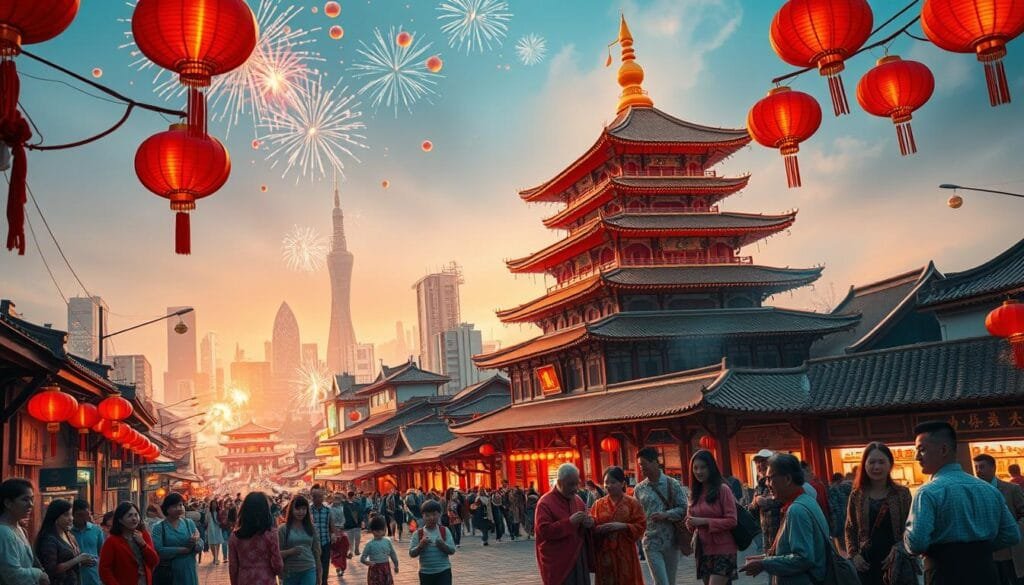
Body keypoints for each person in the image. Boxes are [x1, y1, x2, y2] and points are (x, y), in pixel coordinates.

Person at [905, 420, 1020, 585]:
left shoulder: (928, 492)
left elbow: (916, 542)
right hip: (986, 571)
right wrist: (980, 550)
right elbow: (1011, 534)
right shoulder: (989, 490)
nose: (917, 457)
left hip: (944, 573)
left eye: (921, 450)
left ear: (943, 449)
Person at [740, 453, 829, 584]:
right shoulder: (805, 501)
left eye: (770, 478)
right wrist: (764, 559)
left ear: (787, 479)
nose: (767, 484)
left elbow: (803, 558)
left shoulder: (797, 510)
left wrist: (764, 564)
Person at [844, 442, 913, 585]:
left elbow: (911, 528)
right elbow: (850, 528)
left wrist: (900, 548)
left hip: (895, 562)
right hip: (866, 563)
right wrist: (854, 555)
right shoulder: (857, 495)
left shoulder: (902, 493)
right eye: (872, 462)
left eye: (881, 462)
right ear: (865, 465)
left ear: (890, 464)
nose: (876, 467)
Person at [634, 446, 687, 585]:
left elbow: (683, 508)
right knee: (661, 582)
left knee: (670, 581)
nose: (641, 468)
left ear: (655, 462)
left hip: (671, 540)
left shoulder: (672, 484)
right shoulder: (639, 489)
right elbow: (635, 514)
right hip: (650, 542)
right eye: (640, 465)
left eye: (643, 465)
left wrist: (666, 515)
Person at [686, 449, 739, 585]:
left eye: (703, 467)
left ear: (711, 467)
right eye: (695, 468)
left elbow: (732, 520)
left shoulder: (723, 489)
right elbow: (690, 521)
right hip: (703, 549)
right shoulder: (694, 493)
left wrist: (704, 521)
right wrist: (690, 523)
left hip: (723, 549)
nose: (699, 471)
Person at [535, 463, 593, 585]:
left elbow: (587, 525)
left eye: (577, 483)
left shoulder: (577, 500)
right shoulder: (545, 502)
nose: (575, 488)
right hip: (558, 561)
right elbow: (544, 531)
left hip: (578, 556)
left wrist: (589, 523)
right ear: (560, 482)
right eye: (571, 484)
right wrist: (569, 523)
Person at [974, 453, 1024, 585]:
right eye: (977, 468)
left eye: (982, 467)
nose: (978, 471)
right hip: (988, 551)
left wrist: (1014, 530)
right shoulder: (974, 492)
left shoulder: (1012, 489)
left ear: (993, 468)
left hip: (1010, 550)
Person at [590, 466, 646, 585]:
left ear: (622, 483)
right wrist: (596, 528)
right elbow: (592, 526)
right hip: (605, 554)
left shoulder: (632, 503)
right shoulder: (598, 504)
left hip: (626, 552)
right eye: (606, 483)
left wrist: (623, 526)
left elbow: (641, 525)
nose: (609, 486)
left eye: (613, 482)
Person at [98, 501, 160, 585]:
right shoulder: (112, 541)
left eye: (136, 515)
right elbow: (104, 570)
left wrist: (143, 544)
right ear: (120, 520)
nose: (134, 518)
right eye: (129, 515)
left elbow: (154, 561)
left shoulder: (144, 535)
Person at [229, 492, 283, 585]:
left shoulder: (235, 537)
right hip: (266, 579)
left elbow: (233, 567)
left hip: (245, 580)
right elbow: (277, 565)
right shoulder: (271, 535)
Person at [35, 498, 92, 585]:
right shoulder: (49, 540)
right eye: (66, 515)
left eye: (71, 515)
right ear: (56, 517)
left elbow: (71, 560)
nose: (71, 518)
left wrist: (82, 561)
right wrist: (77, 559)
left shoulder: (69, 535)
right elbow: (52, 569)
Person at [1, 479, 47, 585]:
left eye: (32, 499)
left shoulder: (19, 528)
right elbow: (13, 575)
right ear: (8, 503)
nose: (31, 504)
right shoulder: (4, 533)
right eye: (25, 500)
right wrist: (39, 574)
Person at [152, 492, 201, 585]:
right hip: (169, 572)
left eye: (181, 505)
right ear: (167, 508)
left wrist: (195, 542)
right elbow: (158, 550)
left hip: (189, 570)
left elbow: (201, 543)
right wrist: (182, 550)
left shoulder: (188, 523)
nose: (179, 508)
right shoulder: (159, 527)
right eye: (175, 506)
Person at [408, 499, 455, 585]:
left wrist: (443, 545)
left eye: (434, 514)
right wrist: (420, 546)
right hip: (425, 573)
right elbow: (411, 553)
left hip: (444, 571)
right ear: (423, 516)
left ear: (439, 514)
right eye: (427, 515)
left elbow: (452, 550)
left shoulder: (444, 530)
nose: (431, 518)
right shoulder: (418, 534)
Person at [279, 494, 321, 585]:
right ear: (291, 510)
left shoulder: (311, 528)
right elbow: (276, 553)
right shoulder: (283, 529)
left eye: (304, 509)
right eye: (298, 509)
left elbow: (316, 551)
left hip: (309, 568)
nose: (301, 512)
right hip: (289, 572)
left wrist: (319, 573)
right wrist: (290, 551)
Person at [748, 448, 782, 553]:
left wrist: (767, 502)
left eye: (764, 461)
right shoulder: (759, 485)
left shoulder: (778, 479)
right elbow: (753, 509)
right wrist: (754, 503)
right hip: (765, 532)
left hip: (780, 530)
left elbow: (784, 499)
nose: (761, 464)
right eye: (758, 462)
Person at [71, 499, 104, 585]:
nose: (83, 518)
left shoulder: (96, 530)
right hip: (74, 578)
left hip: (93, 577)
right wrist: (79, 561)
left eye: (85, 515)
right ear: (73, 515)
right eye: (79, 515)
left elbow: (102, 554)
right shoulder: (68, 532)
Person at [360, 516, 399, 585]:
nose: (380, 532)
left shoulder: (387, 541)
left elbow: (393, 554)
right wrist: (366, 562)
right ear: (372, 531)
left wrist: (396, 565)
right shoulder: (369, 544)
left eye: (382, 530)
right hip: (374, 569)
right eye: (377, 531)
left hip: (386, 568)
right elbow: (362, 558)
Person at [308, 485, 334, 585]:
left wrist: (334, 534)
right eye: (315, 496)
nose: (318, 499)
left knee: (325, 566)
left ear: (323, 497)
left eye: (320, 496)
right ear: (312, 497)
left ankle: (324, 582)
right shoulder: (308, 510)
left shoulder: (328, 510)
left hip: (325, 543)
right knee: (313, 567)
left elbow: (331, 525)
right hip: (312, 544)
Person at [827, 472, 852, 551]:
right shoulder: (852, 488)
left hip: (839, 523)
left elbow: (834, 509)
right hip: (850, 521)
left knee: (842, 549)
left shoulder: (832, 491)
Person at [345, 491, 363, 556]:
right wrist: (361, 521)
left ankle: (353, 551)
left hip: (351, 524)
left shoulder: (345, 504)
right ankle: (354, 550)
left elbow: (360, 512)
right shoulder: (347, 504)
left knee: (351, 539)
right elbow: (360, 512)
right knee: (356, 538)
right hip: (355, 523)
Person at [206, 499, 224, 564]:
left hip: (218, 529)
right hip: (210, 529)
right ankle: (215, 557)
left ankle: (216, 558)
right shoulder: (208, 512)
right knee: (212, 543)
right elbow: (206, 520)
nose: (214, 505)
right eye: (213, 504)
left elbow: (222, 519)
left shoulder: (219, 511)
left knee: (218, 542)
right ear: (211, 505)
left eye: (215, 504)